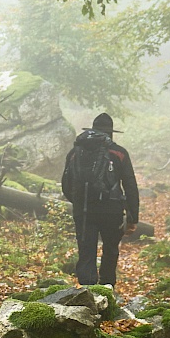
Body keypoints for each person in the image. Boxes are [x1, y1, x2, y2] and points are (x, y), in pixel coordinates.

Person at [61, 113, 140, 288]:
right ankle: (106, 287)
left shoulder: (75, 152)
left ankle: (87, 291)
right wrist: (133, 217)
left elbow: (66, 184)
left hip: (84, 210)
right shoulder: (119, 153)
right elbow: (130, 186)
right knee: (110, 250)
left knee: (86, 250)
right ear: (111, 132)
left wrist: (79, 202)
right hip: (112, 210)